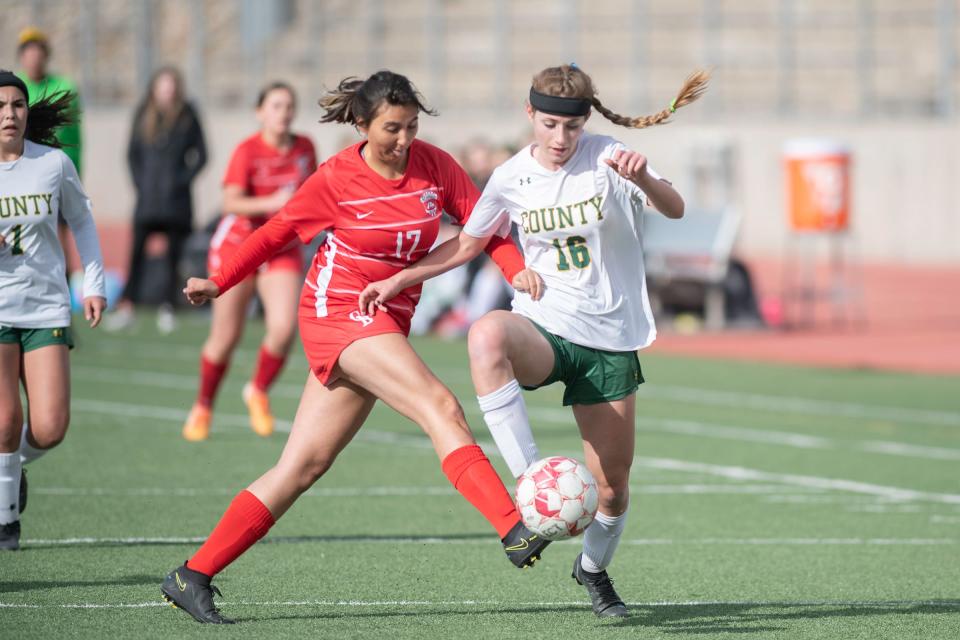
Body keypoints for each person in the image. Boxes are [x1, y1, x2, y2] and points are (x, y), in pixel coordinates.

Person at [159, 70, 550, 624]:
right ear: (362, 125)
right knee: (440, 406)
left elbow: (486, 228)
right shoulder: (337, 177)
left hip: (386, 317)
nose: (404, 139)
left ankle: (192, 573)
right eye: (392, 128)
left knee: (303, 465)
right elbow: (275, 232)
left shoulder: (436, 166)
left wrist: (516, 272)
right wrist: (219, 281)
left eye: (412, 126)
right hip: (338, 312)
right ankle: (513, 527)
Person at [359, 64, 708, 618]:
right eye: (548, 125)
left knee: (612, 490)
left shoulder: (610, 156)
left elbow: (676, 207)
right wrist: (398, 279)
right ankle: (530, 489)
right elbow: (468, 244)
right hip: (544, 325)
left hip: (610, 340)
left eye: (571, 128)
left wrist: (642, 177)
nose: (560, 139)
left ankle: (593, 570)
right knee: (486, 334)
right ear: (531, 116)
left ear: (585, 122)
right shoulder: (510, 176)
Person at [0, 70, 106, 550]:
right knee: (4, 422)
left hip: (46, 307)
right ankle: (5, 524)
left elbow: (82, 222)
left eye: (17, 105)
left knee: (49, 427)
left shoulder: (54, 163)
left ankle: (10, 469)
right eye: (1, 106)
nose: (10, 115)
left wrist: (93, 285)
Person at [182, 81, 316, 441]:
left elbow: (312, 195)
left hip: (280, 247)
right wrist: (271, 202)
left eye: (289, 105)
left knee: (285, 328)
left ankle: (257, 390)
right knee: (226, 335)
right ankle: (203, 405)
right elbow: (231, 204)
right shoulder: (247, 151)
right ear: (260, 112)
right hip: (239, 245)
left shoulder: (305, 148)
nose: (283, 112)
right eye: (276, 105)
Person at [106, 67, 207, 334]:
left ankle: (168, 307)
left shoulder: (187, 115)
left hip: (176, 203)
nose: (168, 92)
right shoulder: (143, 114)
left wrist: (182, 179)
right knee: (136, 254)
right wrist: (142, 183)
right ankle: (127, 306)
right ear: (154, 89)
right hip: (148, 202)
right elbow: (131, 154)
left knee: (173, 257)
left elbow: (202, 154)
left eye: (172, 86)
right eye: (163, 87)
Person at [16, 26, 84, 274]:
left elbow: (75, 137)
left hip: (55, 173)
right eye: (28, 51)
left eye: (38, 51)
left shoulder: (63, 87)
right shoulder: (15, 88)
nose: (33, 57)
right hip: (21, 172)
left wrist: (75, 172)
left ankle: (62, 281)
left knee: (60, 232)